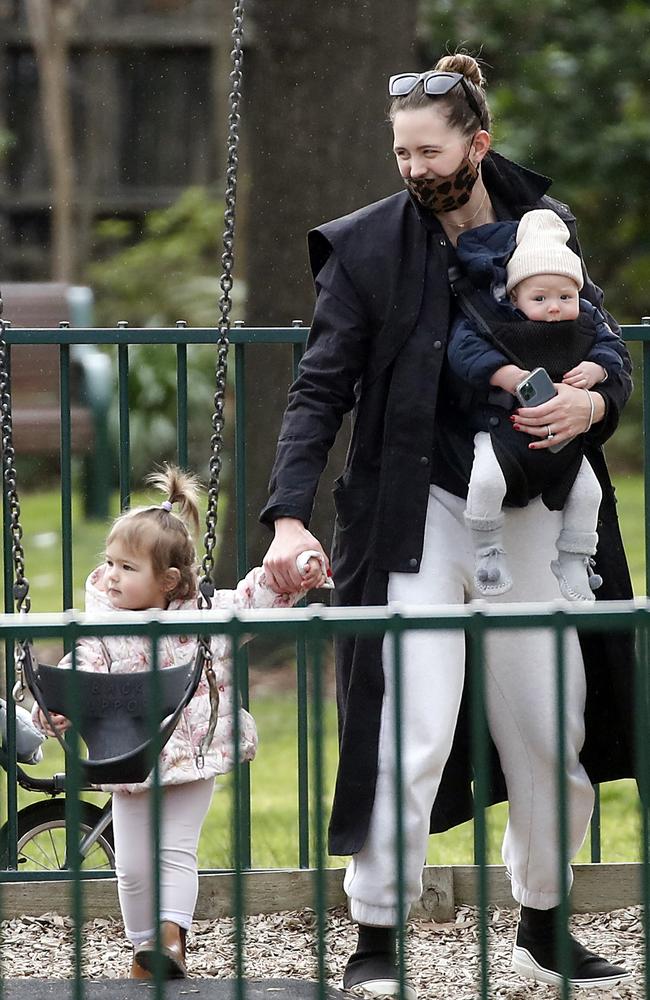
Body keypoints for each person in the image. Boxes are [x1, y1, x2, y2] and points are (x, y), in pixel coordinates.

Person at [260, 53, 635, 994]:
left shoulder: (543, 232)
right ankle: (377, 940)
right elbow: (318, 393)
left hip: (531, 517)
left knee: (552, 729)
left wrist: (596, 408)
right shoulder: (365, 250)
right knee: (410, 730)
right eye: (401, 154)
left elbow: (599, 343)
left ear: (478, 142)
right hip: (412, 522)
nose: (414, 170)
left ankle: (543, 924)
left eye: (430, 151)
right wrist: (286, 519)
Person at [33, 465, 327, 980]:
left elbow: (258, 597)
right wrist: (59, 699)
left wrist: (297, 571)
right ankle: (144, 948)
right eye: (111, 563)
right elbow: (82, 666)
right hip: (126, 758)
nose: (113, 576)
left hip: (193, 754)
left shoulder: (205, 613)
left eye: (127, 567)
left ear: (168, 580)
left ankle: (170, 942)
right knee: (131, 866)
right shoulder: (103, 626)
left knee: (173, 851)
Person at [446, 207, 625, 601]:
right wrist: (505, 374)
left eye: (566, 296)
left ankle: (575, 558)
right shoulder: (495, 320)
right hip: (500, 431)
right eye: (540, 297)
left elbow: (614, 348)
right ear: (515, 295)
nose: (555, 307)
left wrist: (596, 370)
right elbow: (463, 350)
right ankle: (488, 550)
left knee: (588, 493)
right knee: (487, 481)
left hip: (565, 441)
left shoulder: (587, 321)